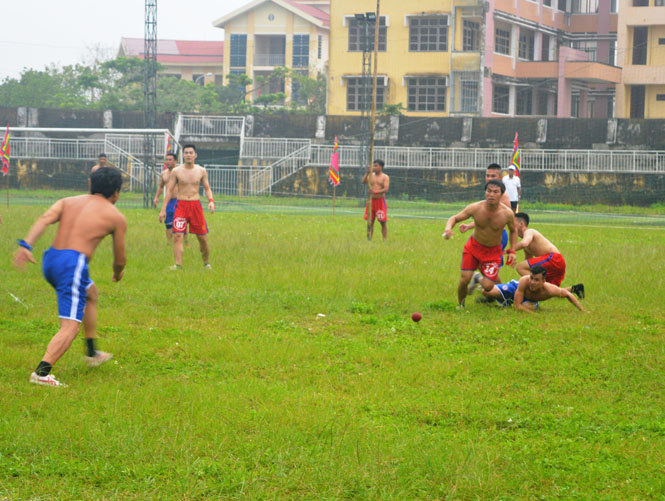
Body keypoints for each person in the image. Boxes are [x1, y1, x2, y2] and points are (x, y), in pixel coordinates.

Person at [14, 167, 127, 387]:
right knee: (70, 326)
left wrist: (26, 246)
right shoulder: (116, 216)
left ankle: (93, 352)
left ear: (90, 184)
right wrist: (117, 272)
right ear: (116, 193)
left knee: (91, 293)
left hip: (52, 259)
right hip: (72, 265)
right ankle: (42, 372)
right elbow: (120, 259)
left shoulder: (68, 201)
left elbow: (45, 219)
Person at [443, 179, 517, 309]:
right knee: (465, 279)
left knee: (488, 286)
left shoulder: (507, 214)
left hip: (493, 252)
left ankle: (477, 278)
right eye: (488, 191)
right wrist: (448, 228)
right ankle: (461, 305)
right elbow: (454, 218)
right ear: (485, 192)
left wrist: (512, 250)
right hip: (473, 248)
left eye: (495, 192)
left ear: (501, 195)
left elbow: (513, 230)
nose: (491, 194)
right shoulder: (475, 208)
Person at [158, 144, 215, 270]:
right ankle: (178, 265)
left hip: (196, 207)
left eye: (191, 153)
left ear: (195, 155)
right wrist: (163, 209)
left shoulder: (201, 171)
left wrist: (211, 201)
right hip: (181, 207)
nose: (188, 155)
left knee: (202, 238)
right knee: (178, 235)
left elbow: (207, 188)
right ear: (183, 155)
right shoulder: (176, 171)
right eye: (186, 153)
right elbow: (169, 190)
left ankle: (206, 263)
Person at [513, 212, 583, 298]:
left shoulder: (529, 232)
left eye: (513, 222)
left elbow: (524, 244)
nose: (510, 225)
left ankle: (531, 291)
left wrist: (507, 251)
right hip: (558, 263)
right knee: (550, 290)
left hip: (554, 259)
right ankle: (574, 289)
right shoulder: (526, 243)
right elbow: (528, 262)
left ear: (521, 224)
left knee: (520, 267)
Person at [459, 163, 512, 260]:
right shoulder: (490, 194)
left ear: (500, 177)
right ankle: (477, 276)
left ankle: (478, 276)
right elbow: (486, 219)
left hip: (497, 237)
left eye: (493, 176)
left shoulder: (503, 197)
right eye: (487, 176)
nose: (489, 178)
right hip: (485, 235)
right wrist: (468, 226)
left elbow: (498, 221)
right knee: (471, 258)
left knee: (489, 269)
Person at [479, 266, 585, 312]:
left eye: (536, 280)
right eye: (531, 278)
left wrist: (583, 311)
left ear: (543, 281)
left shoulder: (549, 290)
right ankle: (477, 278)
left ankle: (505, 302)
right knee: (485, 291)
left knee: (526, 306)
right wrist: (535, 315)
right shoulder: (524, 281)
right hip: (514, 289)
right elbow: (517, 306)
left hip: (529, 300)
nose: (532, 282)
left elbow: (568, 294)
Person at [153, 153, 183, 244]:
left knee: (180, 222)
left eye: (170, 160)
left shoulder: (181, 172)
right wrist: (156, 197)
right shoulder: (164, 174)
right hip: (169, 201)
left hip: (179, 200)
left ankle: (184, 242)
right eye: (167, 160)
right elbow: (161, 187)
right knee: (168, 223)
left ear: (175, 161)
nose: (168, 162)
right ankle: (169, 243)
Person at [362, 159, 390, 241]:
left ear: (381, 167)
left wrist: (375, 191)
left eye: (376, 166)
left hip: (380, 201)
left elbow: (386, 189)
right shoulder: (371, 176)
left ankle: (384, 239)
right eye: (373, 166)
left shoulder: (385, 177)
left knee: (383, 222)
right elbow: (363, 182)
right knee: (370, 222)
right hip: (371, 201)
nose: (374, 167)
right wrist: (367, 173)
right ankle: (369, 239)